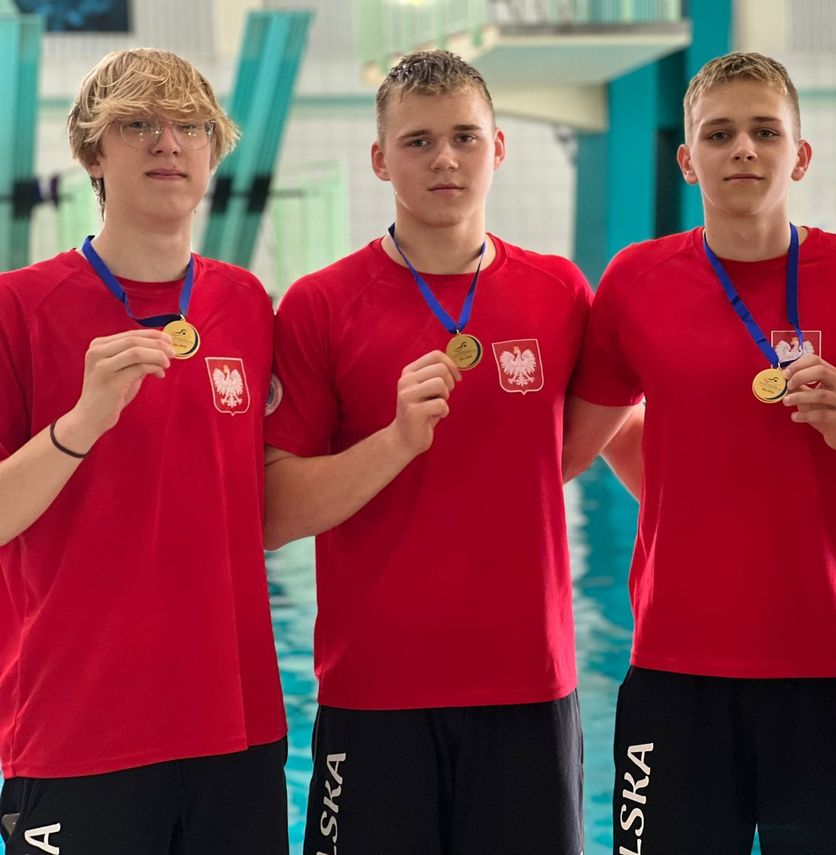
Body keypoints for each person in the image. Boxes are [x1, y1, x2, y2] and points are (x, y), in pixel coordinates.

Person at [562, 51, 836, 854]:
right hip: (676, 670)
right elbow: (571, 447)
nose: (744, 149)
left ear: (801, 153)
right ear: (688, 159)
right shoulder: (637, 280)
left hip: (833, 666)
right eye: (719, 134)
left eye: (765, 131)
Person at [263, 50, 593, 855]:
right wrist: (399, 442)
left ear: (499, 148)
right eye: (417, 142)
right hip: (374, 692)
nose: (444, 158)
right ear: (379, 158)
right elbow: (272, 514)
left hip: (528, 687)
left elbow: (592, 443)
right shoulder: (319, 305)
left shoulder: (560, 294)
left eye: (464, 138)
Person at [0, 49, 288, 854]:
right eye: (138, 124)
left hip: (238, 727)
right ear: (93, 152)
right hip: (77, 729)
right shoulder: (19, 307)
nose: (170, 142)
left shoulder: (246, 303)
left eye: (190, 125)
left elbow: (267, 491)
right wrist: (80, 424)